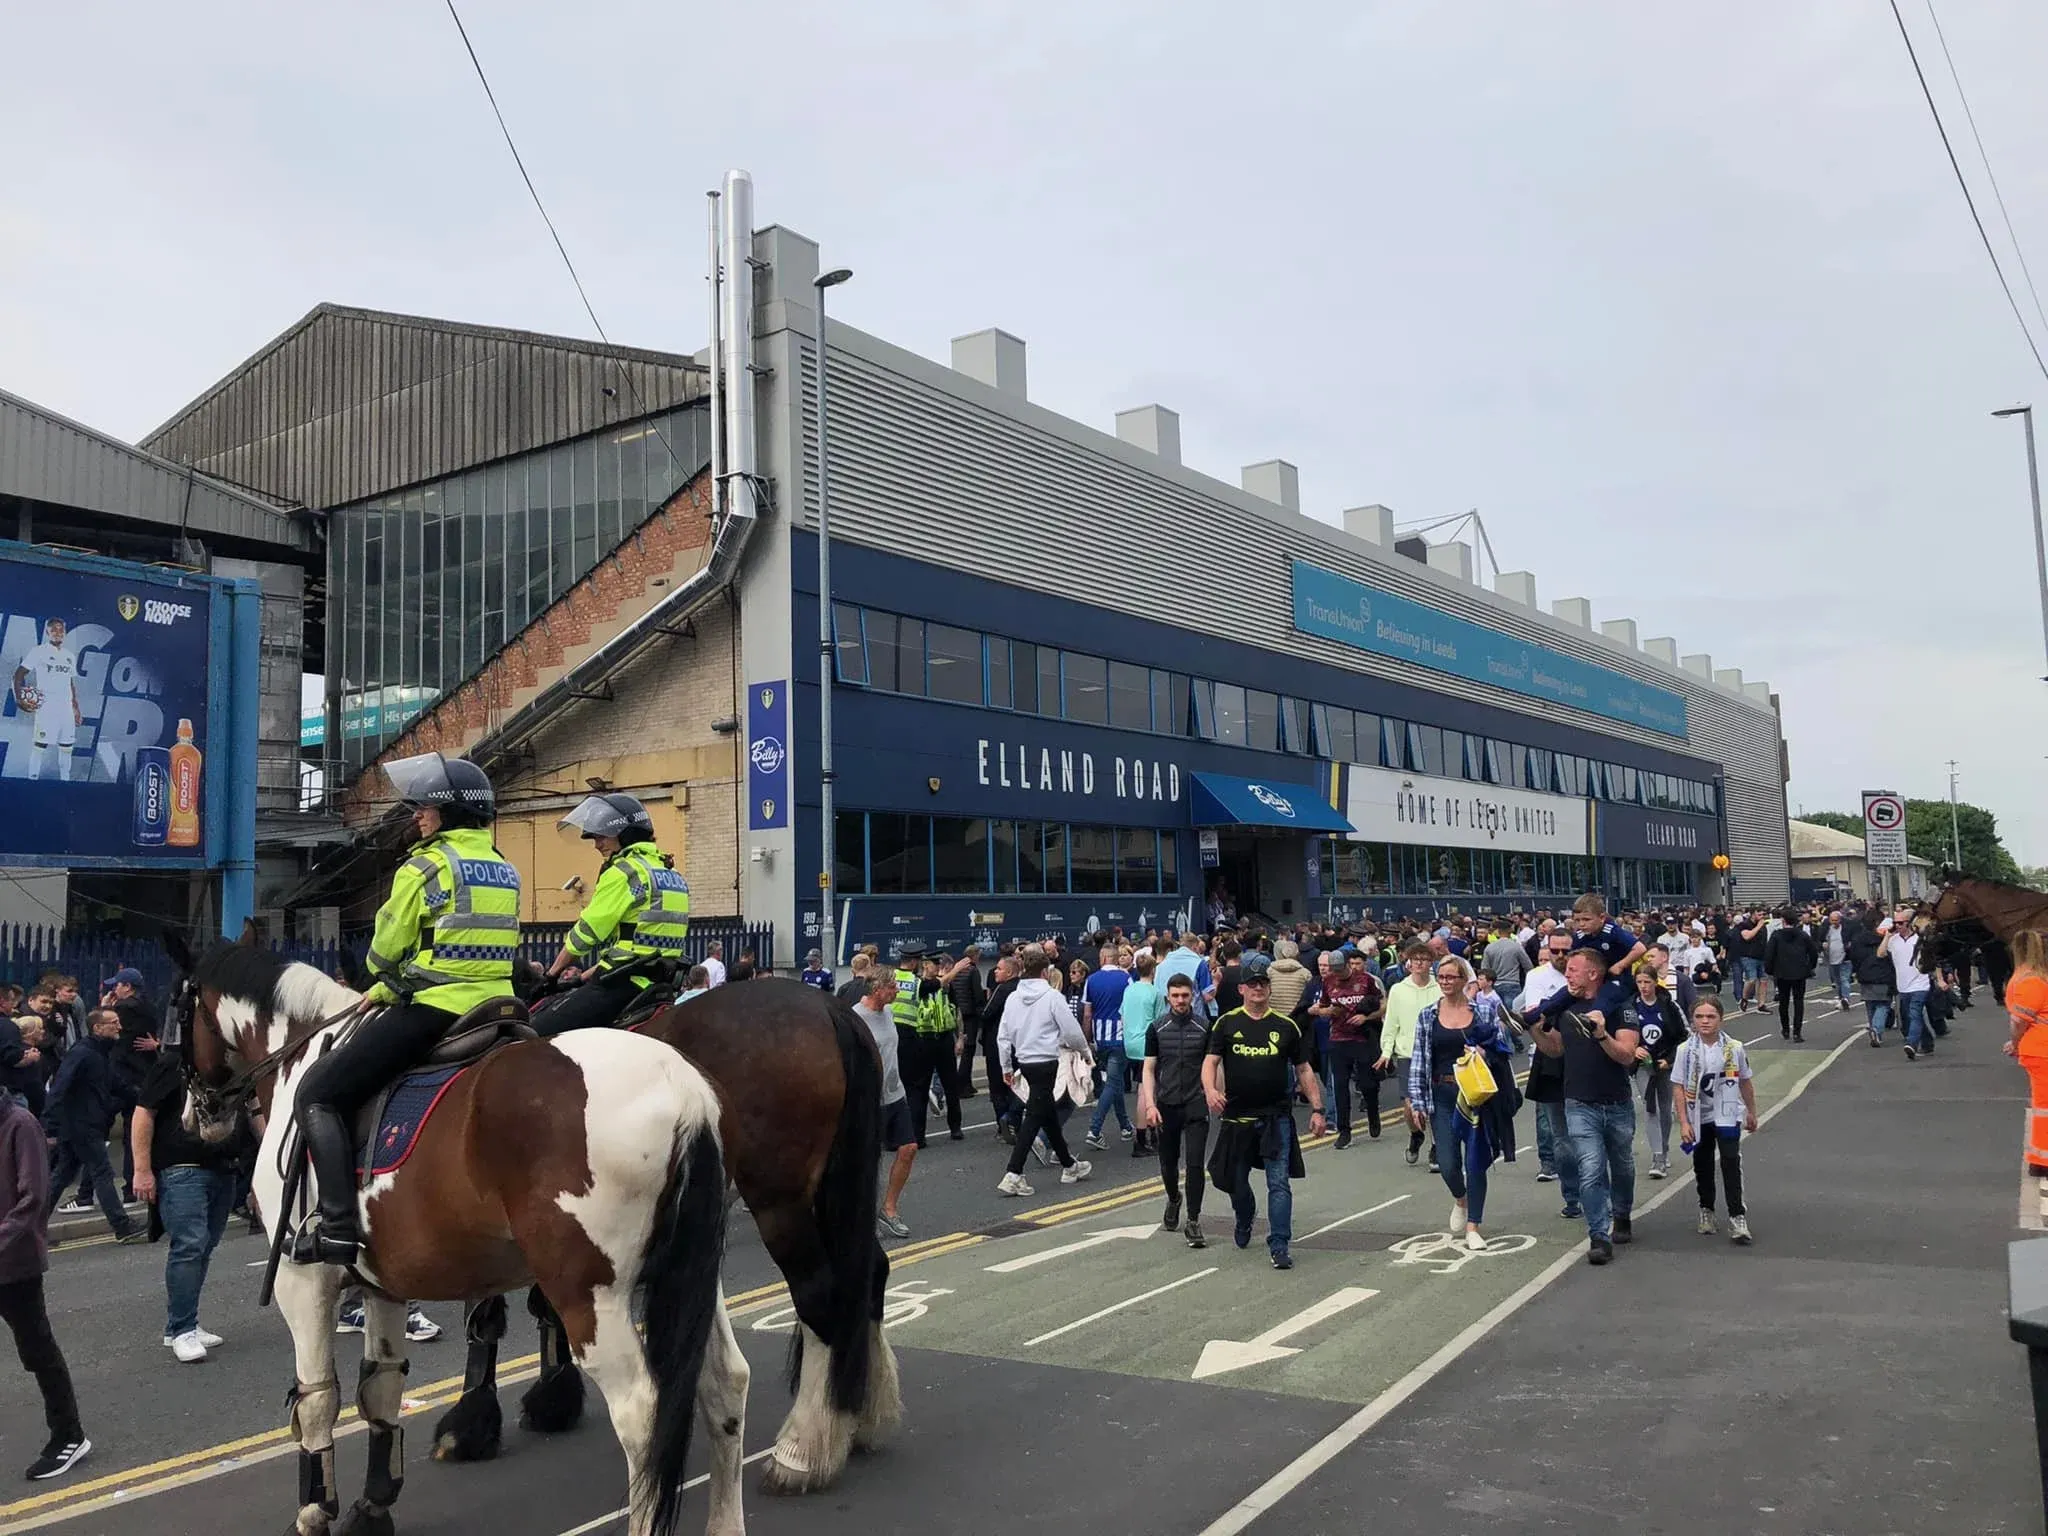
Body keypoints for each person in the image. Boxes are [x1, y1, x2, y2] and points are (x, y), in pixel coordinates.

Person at [293, 752, 520, 1266]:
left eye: (425, 807)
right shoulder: (504, 868)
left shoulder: (425, 865)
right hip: (500, 1008)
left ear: (449, 813)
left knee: (318, 1093)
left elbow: (383, 953)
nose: (417, 814)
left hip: (436, 1009)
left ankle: (337, 1228)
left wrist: (387, 983)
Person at [1203, 953, 1324, 1270]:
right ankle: (1245, 1218)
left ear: (1269, 989)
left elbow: (1304, 1069)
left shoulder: (1285, 1027)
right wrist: (1211, 1090)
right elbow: (1210, 1062)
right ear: (1242, 989)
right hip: (1236, 1119)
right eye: (1252, 983)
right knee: (1234, 1182)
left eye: (1263, 983)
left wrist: (1318, 1108)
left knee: (1279, 1184)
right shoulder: (1227, 1023)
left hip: (1275, 1119)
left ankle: (1280, 1243)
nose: (1258, 988)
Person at [132, 1049, 252, 1362]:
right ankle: (183, 1329)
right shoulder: (174, 1063)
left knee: (203, 1248)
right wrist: (142, 1170)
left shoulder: (237, 1065)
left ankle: (183, 1325)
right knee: (190, 1246)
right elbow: (144, 1112)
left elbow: (253, 1111)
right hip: (181, 1168)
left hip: (223, 1167)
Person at [539, 793, 690, 1035]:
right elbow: (635, 944)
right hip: (660, 986)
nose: (597, 844)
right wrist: (582, 978)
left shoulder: (624, 872)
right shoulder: (669, 873)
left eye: (601, 836)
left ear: (625, 834)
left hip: (621, 985)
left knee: (536, 1033)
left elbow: (585, 935)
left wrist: (551, 974)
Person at [1530, 950, 1641, 1265]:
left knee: (1622, 1166)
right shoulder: (1565, 1007)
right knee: (1591, 1169)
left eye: (1574, 970)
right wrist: (1535, 1027)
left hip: (1616, 1102)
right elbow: (1555, 1050)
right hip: (1579, 1103)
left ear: (1594, 974)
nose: (1568, 975)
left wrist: (1601, 1034)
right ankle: (1599, 1235)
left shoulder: (1619, 1006)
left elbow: (1627, 1055)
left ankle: (1622, 1213)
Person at [1, 1087, 90, 1480]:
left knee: (37, 1351)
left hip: (15, 1266)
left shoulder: (20, 1124)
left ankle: (69, 1436)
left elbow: (33, 1200)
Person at [1407, 955, 1513, 1253]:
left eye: (1451, 977)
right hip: (1442, 1094)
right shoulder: (1428, 1015)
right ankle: (1461, 1199)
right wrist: (1417, 1101)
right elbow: (1419, 1060)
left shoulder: (1483, 1012)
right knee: (1449, 1164)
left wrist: (1485, 1048)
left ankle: (1473, 1226)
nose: (1445, 982)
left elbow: (1502, 1046)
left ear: (1464, 980)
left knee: (1475, 1161)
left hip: (1475, 1095)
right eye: (1440, 977)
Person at [996, 946, 1091, 1195]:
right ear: (1046, 972)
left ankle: (1070, 1165)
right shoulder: (1052, 997)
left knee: (1046, 1113)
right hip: (1048, 1062)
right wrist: (1085, 1052)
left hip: (1025, 1062)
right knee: (1034, 1117)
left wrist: (1006, 1066)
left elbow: (1003, 1037)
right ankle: (1013, 1172)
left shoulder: (1013, 998)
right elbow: (1071, 1031)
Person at [42, 1010, 144, 1243]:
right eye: (114, 1023)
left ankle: (32, 1229)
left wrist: (146, 1098)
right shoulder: (82, 1054)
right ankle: (122, 1225)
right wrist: (50, 1127)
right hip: (82, 1126)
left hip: (84, 1124)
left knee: (61, 1177)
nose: (120, 1027)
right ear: (97, 1028)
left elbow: (117, 1085)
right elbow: (59, 1088)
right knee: (103, 1173)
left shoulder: (99, 1053)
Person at [1672, 996, 1757, 1244]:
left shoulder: (1734, 1048)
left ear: (1721, 1018)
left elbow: (1745, 1081)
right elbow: (1678, 1086)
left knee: (1731, 1160)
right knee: (1703, 1163)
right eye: (1699, 1017)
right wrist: (1685, 1122)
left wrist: (1751, 1111)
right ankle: (1706, 1209)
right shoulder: (1685, 1050)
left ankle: (1737, 1216)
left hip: (1728, 1112)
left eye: (1710, 1016)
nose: (1705, 1021)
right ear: (1693, 1020)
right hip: (1699, 1114)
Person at [1140, 975, 1210, 1248]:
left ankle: (1193, 1220)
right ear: (1167, 997)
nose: (1180, 1000)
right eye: (1175, 995)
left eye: (1184, 995)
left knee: (1194, 1165)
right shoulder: (1157, 1028)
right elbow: (1148, 1070)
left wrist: (1216, 1095)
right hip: (1166, 1105)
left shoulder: (1205, 1027)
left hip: (1195, 1103)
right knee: (1168, 1163)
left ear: (1192, 995)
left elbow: (1214, 1066)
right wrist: (1150, 1104)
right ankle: (1173, 1198)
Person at [852, 972, 918, 1238]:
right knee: (866, 1161)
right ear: (877, 989)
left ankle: (889, 1209)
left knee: (909, 1148)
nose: (897, 992)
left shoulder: (888, 1012)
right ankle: (862, 1217)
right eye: (892, 988)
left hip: (895, 1094)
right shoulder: (856, 1018)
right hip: (869, 1101)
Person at [1622, 961, 1687, 1180]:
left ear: (1655, 982)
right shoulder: (1629, 1006)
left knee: (1666, 1108)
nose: (1643, 986)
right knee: (1651, 1108)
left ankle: (1665, 1148)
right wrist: (1634, 1049)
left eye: (1647, 982)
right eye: (1639, 982)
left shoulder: (1668, 1005)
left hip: (1665, 1063)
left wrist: (1669, 1060)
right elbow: (1621, 1033)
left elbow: (1683, 1035)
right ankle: (1657, 1157)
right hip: (1642, 1065)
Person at [1378, 944, 1437, 1169]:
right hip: (1407, 1054)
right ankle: (1416, 1135)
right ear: (1408, 962)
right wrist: (1386, 1052)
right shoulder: (1398, 990)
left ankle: (1436, 1147)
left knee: (1434, 1105)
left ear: (1431, 962)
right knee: (1410, 1107)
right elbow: (1391, 1023)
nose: (1420, 963)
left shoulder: (1439, 988)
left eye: (1424, 959)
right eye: (1416, 959)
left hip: (1434, 1053)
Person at [1320, 950, 1383, 1148]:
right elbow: (1321, 1008)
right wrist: (1329, 1011)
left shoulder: (1365, 980)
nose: (1338, 974)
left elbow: (1382, 1004)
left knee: (1367, 1083)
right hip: (1338, 1038)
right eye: (1334, 971)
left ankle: (1373, 1113)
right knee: (1340, 1086)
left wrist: (1367, 1017)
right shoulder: (1329, 982)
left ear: (1348, 964)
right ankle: (1344, 1131)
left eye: (1341, 970)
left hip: (1362, 1037)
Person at [1083, 944, 1133, 1149]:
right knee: (1113, 1083)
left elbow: (1087, 1014)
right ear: (1115, 958)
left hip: (1100, 1038)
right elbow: (1130, 1008)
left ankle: (1125, 1126)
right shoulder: (1126, 978)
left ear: (1103, 958)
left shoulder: (1091, 980)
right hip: (1120, 1037)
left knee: (1115, 1082)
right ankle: (1094, 1129)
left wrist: (1086, 1040)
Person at [1119, 952, 1163, 1156]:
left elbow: (1123, 1015)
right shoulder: (1155, 992)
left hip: (1130, 1042)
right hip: (1147, 1043)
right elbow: (1160, 1022)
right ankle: (1144, 1137)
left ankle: (1148, 1133)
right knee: (1146, 1091)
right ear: (1153, 970)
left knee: (1143, 1089)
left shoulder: (1129, 990)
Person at [1886, 915, 1936, 1061]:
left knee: (1915, 1013)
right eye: (1895, 923)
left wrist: (1939, 978)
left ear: (1908, 924)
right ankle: (1927, 1043)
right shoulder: (1893, 941)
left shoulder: (1919, 940)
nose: (1898, 926)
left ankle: (1911, 1043)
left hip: (1920, 984)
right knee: (1913, 1016)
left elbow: (1933, 960)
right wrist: (1887, 936)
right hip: (1903, 986)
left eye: (1900, 923)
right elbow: (1881, 953)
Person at [1764, 908, 1818, 1042]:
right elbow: (1813, 953)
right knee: (1799, 1002)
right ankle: (1797, 1032)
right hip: (1799, 972)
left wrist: (1770, 970)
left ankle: (1786, 1029)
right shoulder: (1803, 935)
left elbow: (1769, 954)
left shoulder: (1776, 935)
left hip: (1781, 973)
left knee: (1783, 1002)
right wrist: (1810, 967)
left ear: (1783, 921)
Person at [1568, 893, 1646, 981]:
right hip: (1589, 981)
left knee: (1605, 995)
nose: (1581, 924)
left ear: (1601, 918)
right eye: (1577, 920)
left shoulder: (1612, 931)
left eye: (1586, 919)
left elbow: (1640, 948)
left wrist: (1619, 966)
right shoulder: (1579, 936)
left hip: (1615, 980)